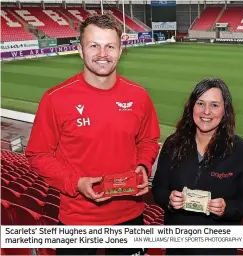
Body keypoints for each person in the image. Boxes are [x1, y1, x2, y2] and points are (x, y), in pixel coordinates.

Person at [25, 13, 160, 255]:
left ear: (121, 50)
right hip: (78, 219)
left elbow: (148, 140)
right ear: (80, 49)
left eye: (110, 46)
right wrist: (75, 182)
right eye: (94, 45)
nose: (102, 54)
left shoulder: (139, 96)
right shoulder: (55, 98)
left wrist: (143, 164)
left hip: (129, 215)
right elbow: (38, 154)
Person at [151, 78, 243, 255]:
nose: (206, 112)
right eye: (200, 103)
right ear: (191, 107)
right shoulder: (173, 144)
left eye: (214, 105)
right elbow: (158, 188)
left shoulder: (242, 151)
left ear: (225, 110)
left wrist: (228, 208)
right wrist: (169, 199)